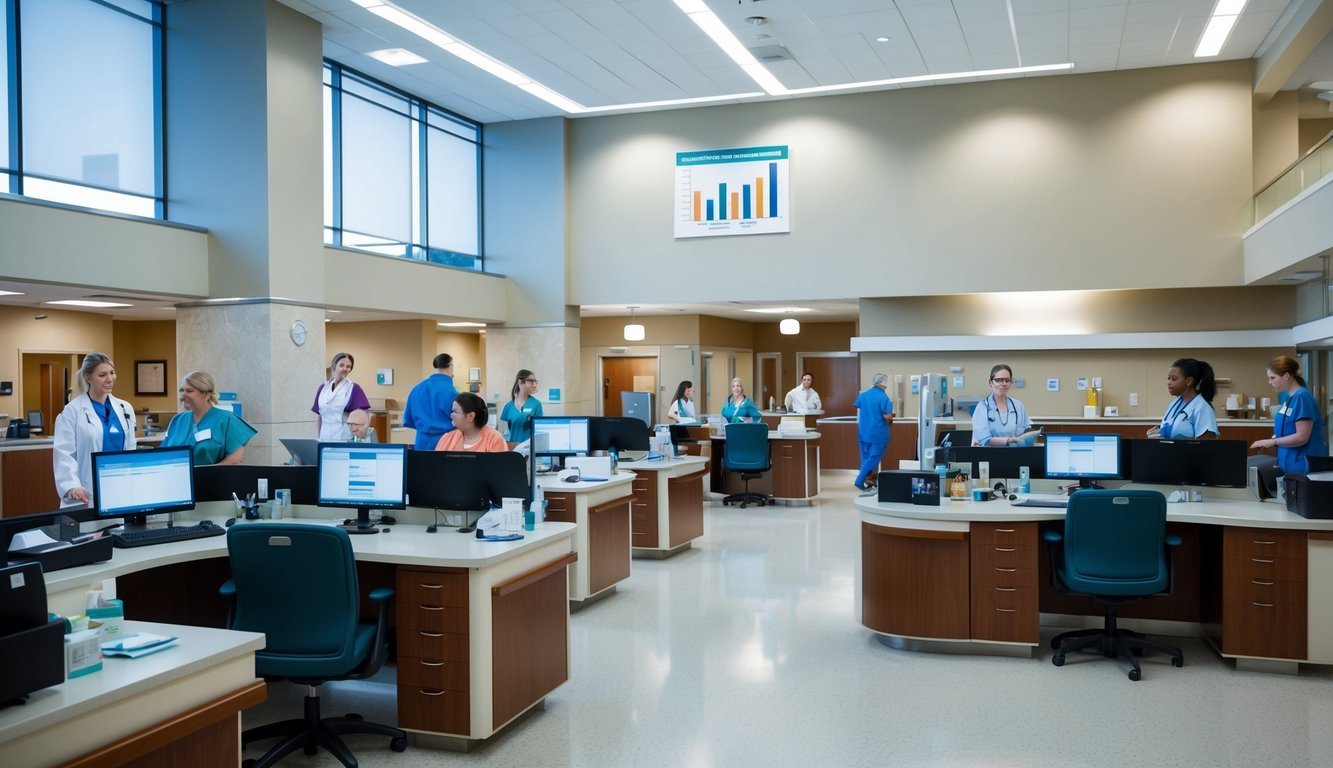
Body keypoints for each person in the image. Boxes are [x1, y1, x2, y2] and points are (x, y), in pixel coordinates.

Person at [52, 353, 138, 507]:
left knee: (120, 530)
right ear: (88, 377)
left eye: (112, 373)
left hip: (120, 488)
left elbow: (130, 448)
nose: (109, 379)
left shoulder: (125, 408)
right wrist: (72, 486)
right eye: (102, 375)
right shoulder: (72, 411)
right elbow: (64, 453)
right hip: (86, 493)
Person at [160, 370, 257, 465]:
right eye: (182, 391)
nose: (183, 396)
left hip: (213, 479)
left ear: (206, 394)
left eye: (189, 391)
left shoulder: (227, 420)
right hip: (178, 479)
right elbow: (162, 454)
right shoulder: (178, 420)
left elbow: (234, 460)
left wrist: (202, 474)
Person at [1252, 355, 1328, 474]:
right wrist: (1275, 439)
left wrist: (1272, 442)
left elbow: (1302, 437)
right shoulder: (1290, 398)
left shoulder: (1302, 397)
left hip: (1303, 466)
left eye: (1273, 378)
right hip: (1290, 465)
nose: (1269, 382)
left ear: (1287, 376)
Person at [1150, 358, 1219, 439]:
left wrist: (1173, 443)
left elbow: (1207, 443)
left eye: (1174, 379)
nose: (1169, 382)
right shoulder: (1175, 404)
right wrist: (1158, 435)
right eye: (1168, 378)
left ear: (1189, 381)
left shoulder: (1203, 408)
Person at [403, 353, 458, 451]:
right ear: (449, 366)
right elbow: (462, 422)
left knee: (423, 466)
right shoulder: (453, 393)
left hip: (422, 444)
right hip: (447, 444)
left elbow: (408, 420)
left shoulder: (417, 389)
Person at [312, 351, 371, 441]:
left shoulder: (353, 388)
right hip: (324, 437)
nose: (345, 369)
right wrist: (317, 438)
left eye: (348, 367)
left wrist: (360, 436)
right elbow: (320, 416)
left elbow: (365, 415)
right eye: (341, 365)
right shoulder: (323, 388)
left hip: (344, 437)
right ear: (334, 366)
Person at [971, 364, 1034, 446]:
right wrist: (1008, 440)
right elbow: (985, 440)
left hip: (1015, 455)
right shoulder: (982, 407)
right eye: (999, 380)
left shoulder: (1018, 406)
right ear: (990, 382)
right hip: (989, 456)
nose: (1004, 384)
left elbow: (1026, 431)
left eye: (1007, 380)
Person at [854, 373, 894, 491]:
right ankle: (859, 481)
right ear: (883, 383)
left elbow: (859, 406)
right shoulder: (883, 397)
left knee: (865, 459)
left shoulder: (863, 395)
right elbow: (888, 416)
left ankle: (868, 480)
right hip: (878, 434)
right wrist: (891, 416)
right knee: (873, 459)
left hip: (863, 433)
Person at [436, 392, 508, 452]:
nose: (451, 415)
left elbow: (501, 467)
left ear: (470, 416)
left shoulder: (494, 440)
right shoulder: (447, 439)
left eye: (455, 411)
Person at [500, 369, 543, 445]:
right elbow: (502, 432)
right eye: (531, 381)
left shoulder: (536, 404)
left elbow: (539, 430)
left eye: (535, 382)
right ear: (521, 382)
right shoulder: (508, 406)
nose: (535, 385)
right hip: (512, 449)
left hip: (529, 448)